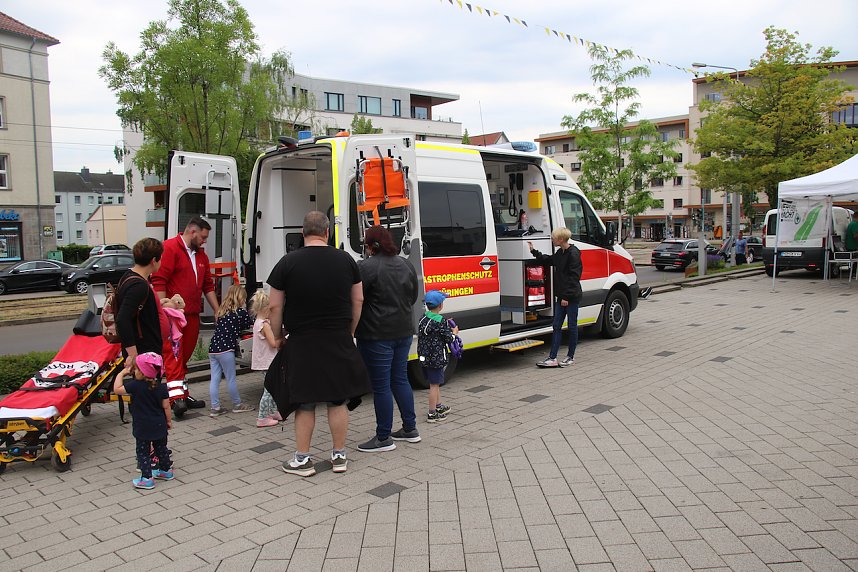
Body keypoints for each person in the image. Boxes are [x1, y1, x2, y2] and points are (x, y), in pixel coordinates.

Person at [267, 211, 371, 477]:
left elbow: (275, 305)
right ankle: (339, 456)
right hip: (337, 337)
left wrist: (277, 337)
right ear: (327, 233)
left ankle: (303, 460)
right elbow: (358, 299)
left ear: (303, 233)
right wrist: (350, 330)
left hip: (302, 341)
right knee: (337, 399)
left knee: (305, 401)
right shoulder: (346, 260)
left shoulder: (287, 262)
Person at [355, 226, 420, 452]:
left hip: (376, 334)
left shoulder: (366, 267)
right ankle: (410, 429)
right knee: (400, 379)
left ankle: (383, 437)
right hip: (403, 331)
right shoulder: (406, 264)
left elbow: (356, 298)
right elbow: (413, 296)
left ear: (370, 245)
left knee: (381, 386)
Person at [151, 217, 220, 415]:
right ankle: (176, 399)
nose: (204, 241)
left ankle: (182, 393)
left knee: (183, 356)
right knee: (174, 355)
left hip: (192, 314)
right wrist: (163, 311)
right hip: (173, 315)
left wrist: (217, 310)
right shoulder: (170, 248)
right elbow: (159, 281)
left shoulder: (201, 255)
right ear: (192, 232)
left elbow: (207, 285)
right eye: (203, 237)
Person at [113, 352, 173, 490]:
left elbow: (117, 389)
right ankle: (166, 471)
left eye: (136, 369)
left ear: (142, 372)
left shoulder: (135, 386)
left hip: (142, 426)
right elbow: (166, 406)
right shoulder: (161, 387)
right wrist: (168, 421)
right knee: (161, 448)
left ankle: (147, 478)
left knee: (143, 453)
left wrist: (121, 373)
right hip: (159, 424)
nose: (134, 372)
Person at [529, 227, 582, 368]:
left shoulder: (573, 254)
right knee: (557, 326)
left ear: (561, 239)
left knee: (572, 326)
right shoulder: (561, 252)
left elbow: (574, 277)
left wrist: (566, 297)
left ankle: (570, 357)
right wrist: (534, 251)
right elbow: (549, 260)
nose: (552, 239)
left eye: (554, 238)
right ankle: (552, 358)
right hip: (563, 296)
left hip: (571, 297)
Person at [116, 238, 164, 374]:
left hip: (144, 351)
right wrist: (133, 355)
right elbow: (122, 319)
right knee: (147, 388)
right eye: (160, 258)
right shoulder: (139, 286)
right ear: (153, 260)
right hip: (145, 354)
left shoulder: (128, 276)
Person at [208, 283, 255, 416]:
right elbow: (249, 325)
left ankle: (215, 407)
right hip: (226, 350)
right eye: (244, 298)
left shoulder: (221, 312)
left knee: (215, 379)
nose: (244, 301)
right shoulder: (240, 312)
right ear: (240, 298)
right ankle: (237, 404)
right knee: (231, 378)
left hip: (213, 349)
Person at [417, 290, 458, 423]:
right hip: (436, 358)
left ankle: (438, 406)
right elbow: (449, 338)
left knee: (435, 382)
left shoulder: (423, 318)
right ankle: (432, 413)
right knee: (434, 385)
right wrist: (454, 333)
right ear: (440, 305)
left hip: (424, 357)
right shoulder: (441, 321)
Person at [250, 290, 282, 428]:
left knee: (272, 387)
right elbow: (273, 343)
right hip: (268, 361)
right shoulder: (265, 325)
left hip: (262, 361)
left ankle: (273, 411)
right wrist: (283, 338)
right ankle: (262, 417)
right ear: (266, 308)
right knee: (269, 389)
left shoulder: (257, 323)